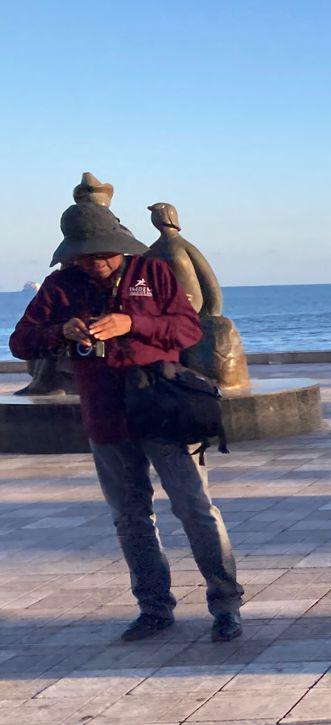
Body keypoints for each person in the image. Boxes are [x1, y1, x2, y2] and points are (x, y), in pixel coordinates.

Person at [8, 201, 245, 643]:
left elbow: (188, 328)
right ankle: (154, 608)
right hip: (105, 415)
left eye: (100, 254)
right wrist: (61, 331)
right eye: (82, 256)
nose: (92, 263)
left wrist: (130, 323)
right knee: (130, 517)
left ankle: (226, 603)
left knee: (195, 509)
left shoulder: (152, 274)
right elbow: (20, 341)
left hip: (163, 410)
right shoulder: (60, 286)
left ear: (118, 247)